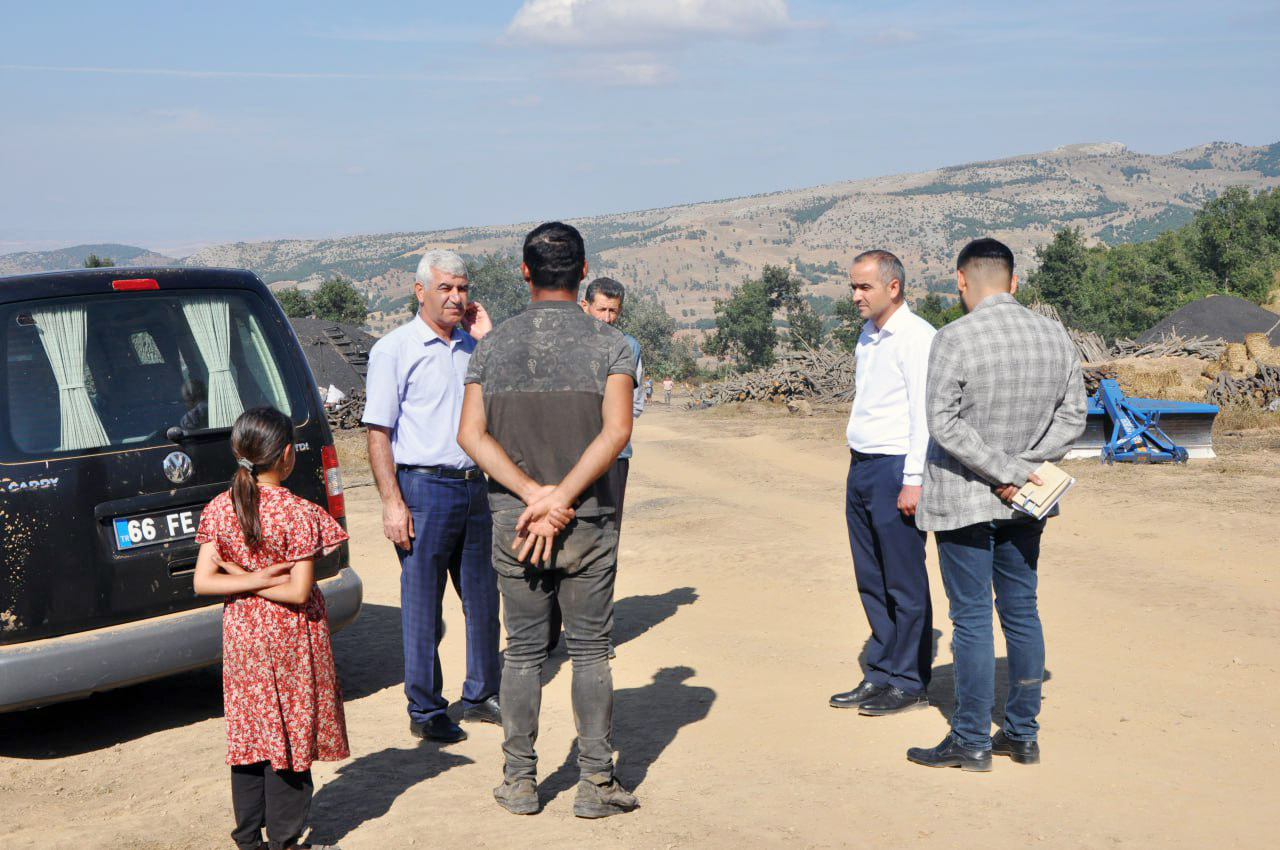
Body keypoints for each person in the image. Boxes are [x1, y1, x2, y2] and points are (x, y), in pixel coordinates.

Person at [457, 221, 639, 819]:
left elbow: (470, 435)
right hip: (588, 518)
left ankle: (519, 781)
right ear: (584, 273)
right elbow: (617, 431)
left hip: (516, 523)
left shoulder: (493, 346)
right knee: (590, 651)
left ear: (525, 273)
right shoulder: (610, 346)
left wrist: (534, 494)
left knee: (523, 652)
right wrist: (561, 497)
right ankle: (595, 784)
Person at [908, 238, 1086, 771]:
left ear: (961, 281)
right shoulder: (1056, 336)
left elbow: (944, 423)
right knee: (1022, 611)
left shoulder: (954, 338)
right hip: (1027, 500)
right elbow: (1073, 417)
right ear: (1014, 281)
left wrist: (1004, 470)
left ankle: (970, 739)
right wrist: (1023, 469)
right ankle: (1022, 733)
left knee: (971, 620)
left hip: (965, 496)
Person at [193, 406, 349, 850]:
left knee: (250, 736)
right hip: (292, 640)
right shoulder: (301, 513)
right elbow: (300, 593)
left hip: (243, 638)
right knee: (291, 736)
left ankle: (247, 838)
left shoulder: (220, 509)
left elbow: (204, 581)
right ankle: (283, 840)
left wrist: (243, 578)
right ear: (286, 455)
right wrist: (265, 578)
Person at [362, 249, 501, 745]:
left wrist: (489, 340)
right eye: (446, 288)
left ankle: (482, 693)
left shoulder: (473, 347)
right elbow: (378, 431)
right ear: (420, 291)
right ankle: (425, 708)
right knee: (423, 605)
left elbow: (504, 402)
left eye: (462, 288)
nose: (456, 298)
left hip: (472, 486)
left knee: (483, 599)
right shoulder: (394, 349)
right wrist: (391, 501)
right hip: (421, 487)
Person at [829, 250, 937, 717]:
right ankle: (881, 672)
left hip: (897, 467)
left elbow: (925, 417)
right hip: (863, 466)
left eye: (864, 287)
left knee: (903, 578)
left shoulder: (917, 338)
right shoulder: (868, 335)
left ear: (893, 287)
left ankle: (909, 680)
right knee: (871, 576)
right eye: (853, 287)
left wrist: (913, 480)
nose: (855, 296)